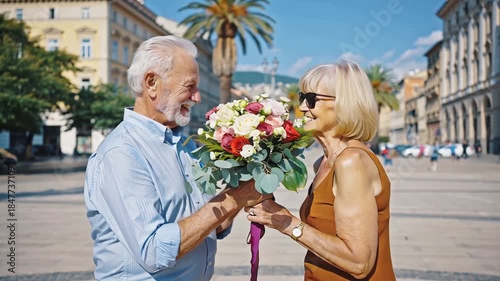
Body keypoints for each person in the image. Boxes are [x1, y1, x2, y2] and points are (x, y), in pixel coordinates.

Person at [84, 36, 270, 281]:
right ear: (151, 83)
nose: (197, 97)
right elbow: (154, 250)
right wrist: (233, 199)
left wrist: (243, 186)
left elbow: (212, 225)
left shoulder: (186, 146)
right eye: (189, 86)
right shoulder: (121, 154)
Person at [246, 61, 396, 280]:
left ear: (345, 104)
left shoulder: (351, 162)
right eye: (302, 97)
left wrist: (286, 223)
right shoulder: (323, 163)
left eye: (312, 99)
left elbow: (359, 262)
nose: (304, 107)